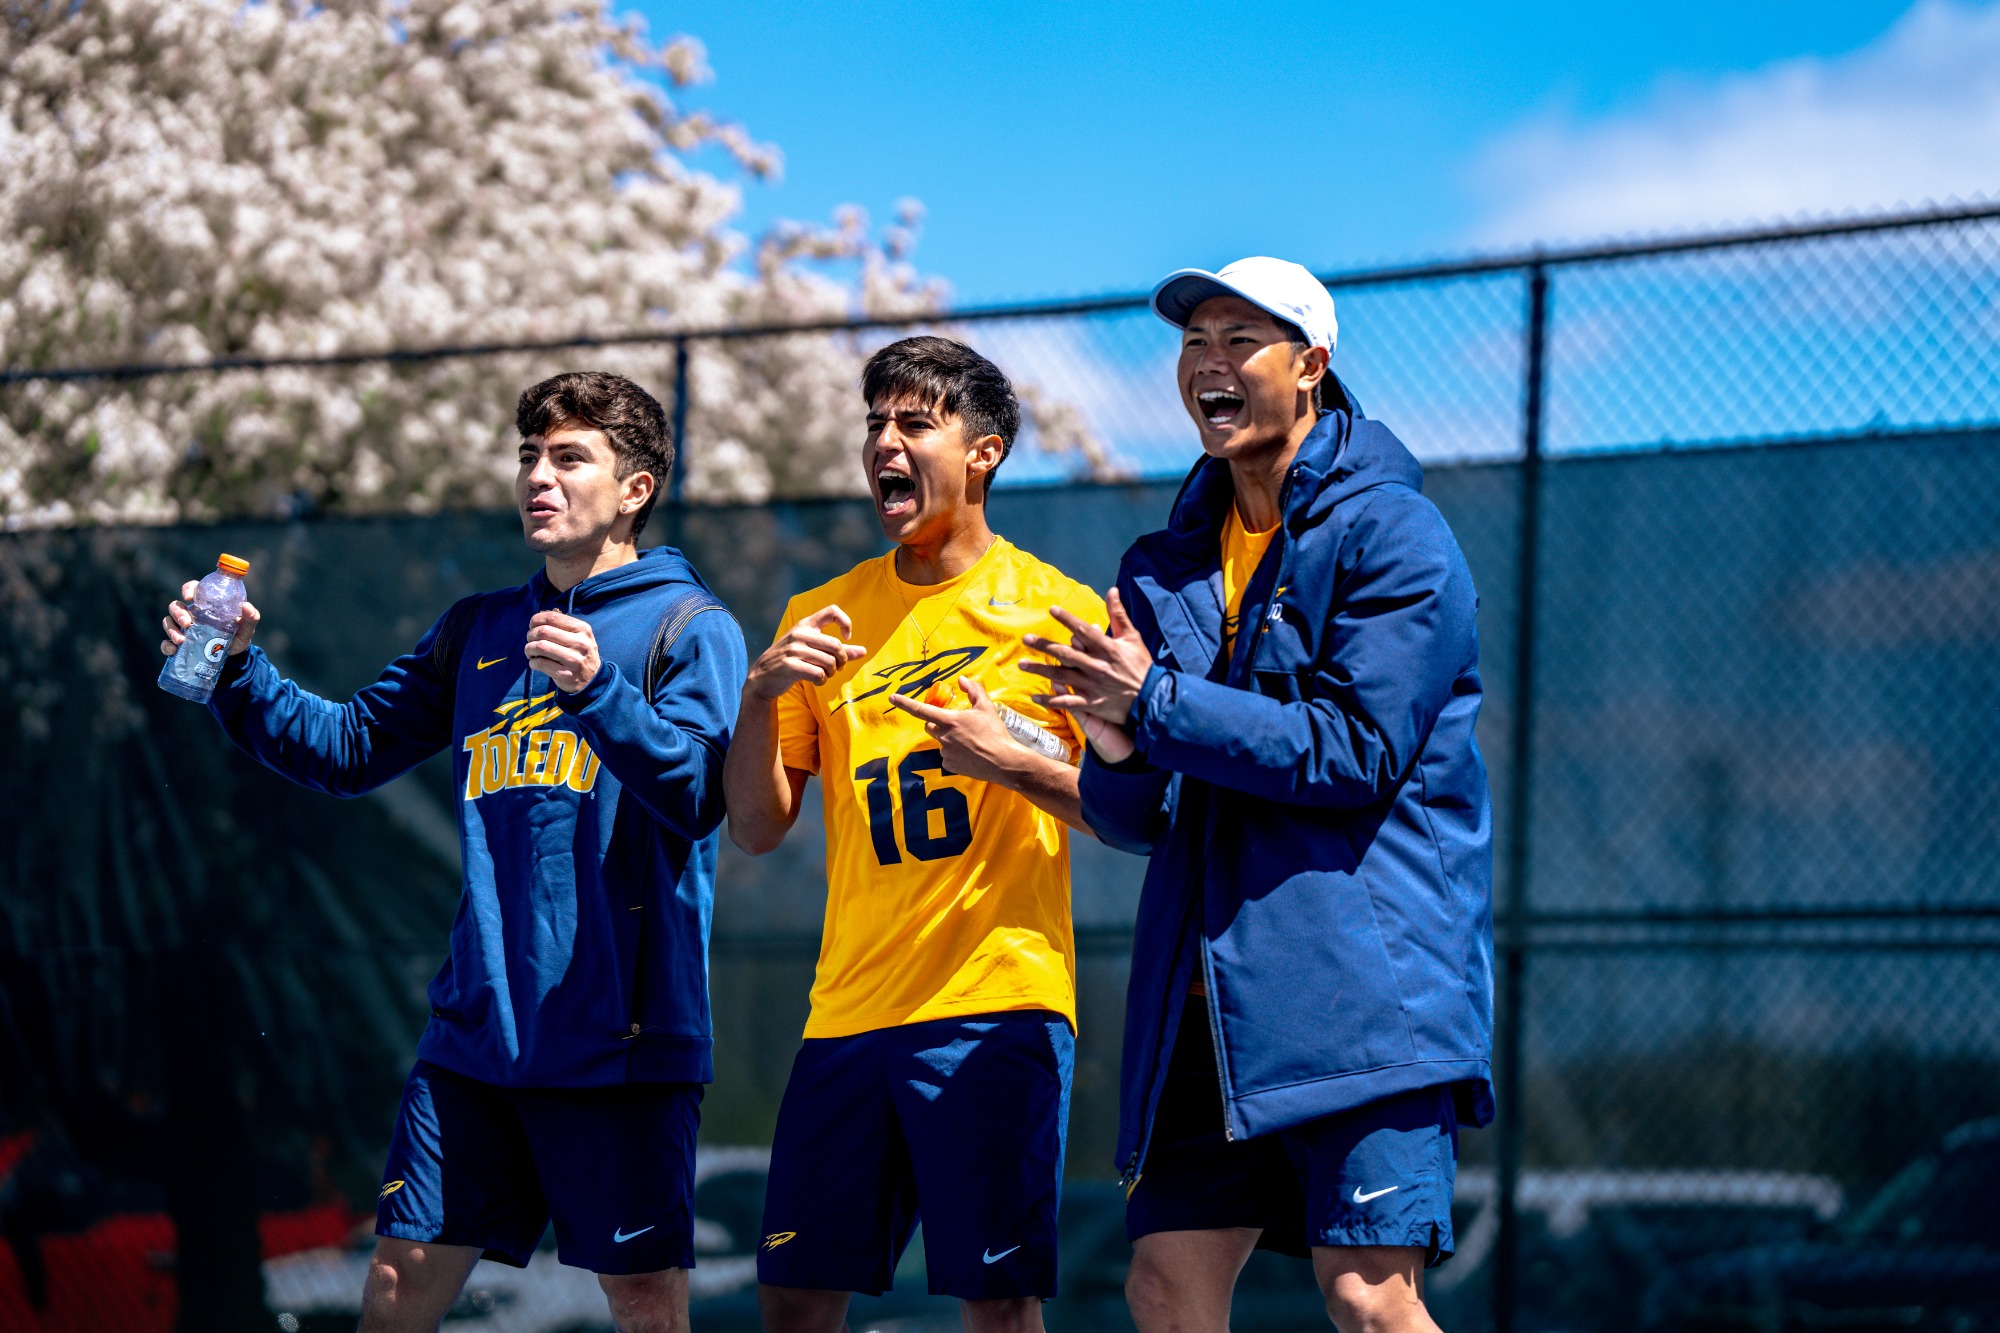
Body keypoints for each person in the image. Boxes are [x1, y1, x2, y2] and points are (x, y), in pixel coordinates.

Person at [159, 371, 747, 1333]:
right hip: (474, 1037)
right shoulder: (480, 629)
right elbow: (346, 748)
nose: (538, 479)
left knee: (643, 1301)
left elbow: (696, 795)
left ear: (635, 488)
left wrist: (600, 690)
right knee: (394, 1287)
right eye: (528, 459)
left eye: (568, 458)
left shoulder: (690, 627)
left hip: (620, 1042)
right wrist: (233, 671)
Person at [1023, 258, 1493, 1333]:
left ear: (1312, 365)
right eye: (1194, 343)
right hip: (1197, 1007)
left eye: (1242, 339)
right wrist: (1119, 743)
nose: (1209, 363)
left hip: (1362, 997)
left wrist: (1156, 705)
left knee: (1369, 1297)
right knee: (1161, 1285)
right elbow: (1140, 818)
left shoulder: (1393, 535)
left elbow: (1353, 750)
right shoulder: (1159, 567)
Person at [723, 336, 1105, 1333]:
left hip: (995, 1003)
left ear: (981, 453)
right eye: (873, 425)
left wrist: (1010, 758)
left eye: (913, 423)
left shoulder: (1056, 614)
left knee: (993, 1302)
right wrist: (761, 696)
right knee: (794, 1298)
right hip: (847, 1010)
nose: (883, 443)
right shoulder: (821, 614)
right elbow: (758, 828)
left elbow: (1124, 808)